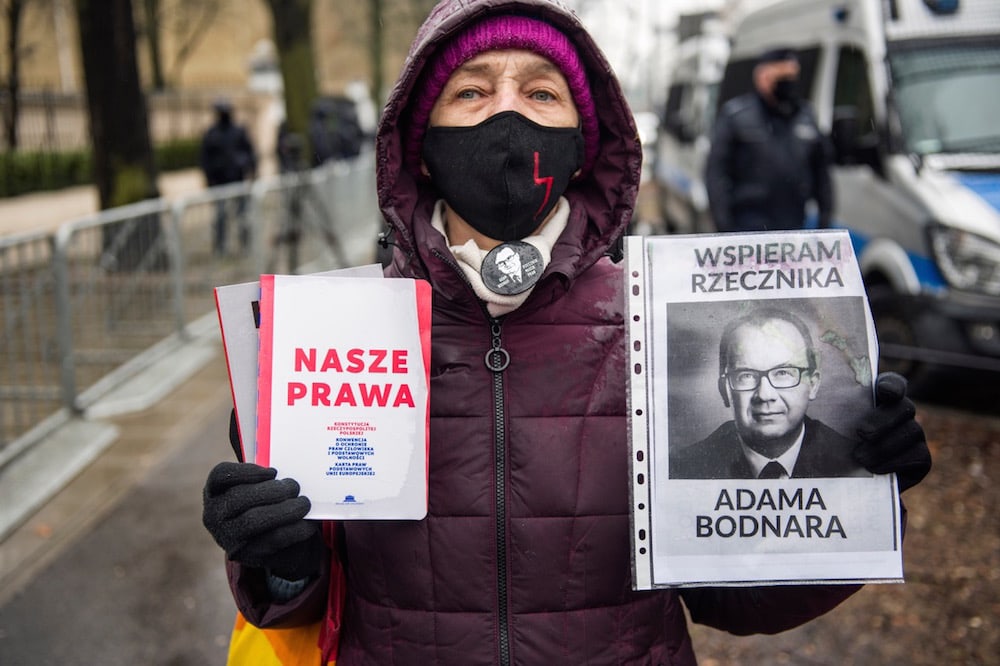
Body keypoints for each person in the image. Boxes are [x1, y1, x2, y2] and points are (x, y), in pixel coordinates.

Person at [201, 2, 931, 664]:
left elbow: (733, 596)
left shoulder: (661, 329)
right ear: (421, 147)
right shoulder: (319, 341)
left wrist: (853, 498)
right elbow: (301, 606)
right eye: (472, 91)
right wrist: (279, 556)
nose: (507, 116)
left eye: (541, 92)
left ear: (583, 145)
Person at [671, 307, 870, 479]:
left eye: (783, 373)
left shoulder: (857, 463)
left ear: (813, 384)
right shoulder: (683, 467)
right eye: (746, 375)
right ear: (725, 391)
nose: (765, 395)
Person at [705, 47, 833, 232]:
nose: (789, 84)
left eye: (792, 77)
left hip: (794, 228)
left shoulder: (805, 115)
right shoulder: (736, 116)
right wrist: (725, 228)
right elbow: (716, 173)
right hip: (747, 228)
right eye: (782, 78)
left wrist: (824, 222)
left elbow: (822, 173)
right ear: (762, 77)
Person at [200, 98, 257, 255]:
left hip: (237, 180)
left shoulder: (238, 131)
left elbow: (250, 153)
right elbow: (205, 159)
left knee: (242, 216)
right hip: (220, 183)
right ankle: (220, 247)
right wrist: (209, 179)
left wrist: (251, 172)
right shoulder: (212, 134)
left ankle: (245, 244)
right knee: (220, 217)